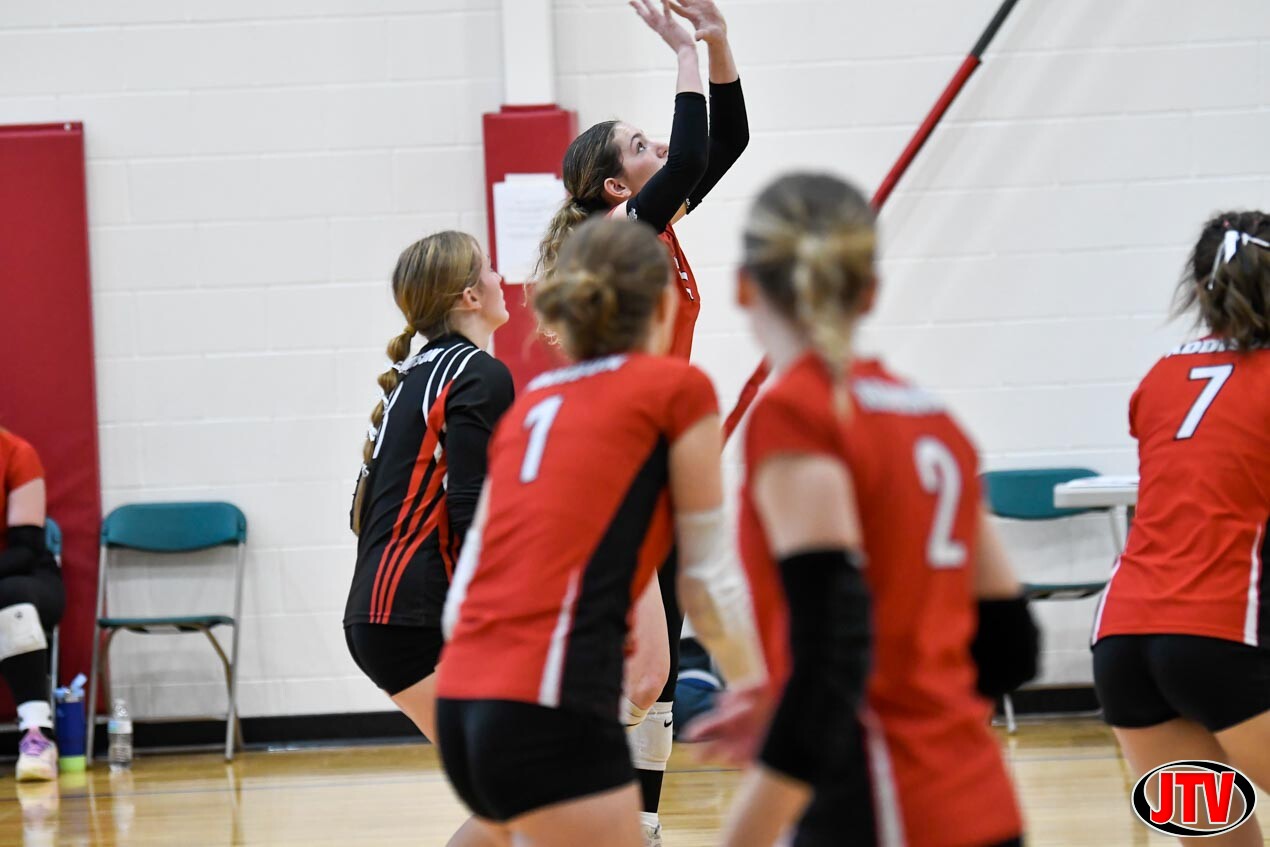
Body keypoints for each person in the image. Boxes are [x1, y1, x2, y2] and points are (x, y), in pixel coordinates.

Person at [690, 173, 1036, 847]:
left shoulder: (797, 414)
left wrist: (748, 831)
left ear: (743, 287)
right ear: (870, 291)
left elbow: (833, 656)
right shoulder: (935, 420)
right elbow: (1011, 646)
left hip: (882, 806)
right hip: (980, 801)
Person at [435, 217, 766, 847]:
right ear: (661, 303)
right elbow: (708, 580)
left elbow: (472, 571)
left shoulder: (533, 405)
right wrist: (758, 685)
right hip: (546, 698)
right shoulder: (675, 391)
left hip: (464, 692)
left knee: (499, 829)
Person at [535, 3, 750, 839]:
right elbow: (692, 152)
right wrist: (680, 51)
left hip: (658, 460)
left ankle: (645, 822)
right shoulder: (617, 234)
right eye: (640, 146)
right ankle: (560, 797)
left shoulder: (648, 229)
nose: (659, 147)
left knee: (658, 666)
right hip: (617, 465)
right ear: (617, 187)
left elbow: (723, 144)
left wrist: (717, 42)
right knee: (632, 665)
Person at [1091, 211, 1270, 845]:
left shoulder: (1160, 378)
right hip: (1223, 634)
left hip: (1123, 643)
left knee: (1219, 838)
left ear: (1199, 289)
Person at [343, 230, 513, 747]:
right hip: (413, 616)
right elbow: (472, 508)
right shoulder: (476, 373)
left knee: (505, 778)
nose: (501, 277)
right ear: (470, 296)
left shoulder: (416, 373)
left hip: (386, 612)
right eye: (489, 268)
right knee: (516, 771)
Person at [0, 428, 65, 782]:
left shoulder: (15, 453)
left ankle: (37, 735)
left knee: (12, 598)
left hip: (25, 576)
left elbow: (25, 549)